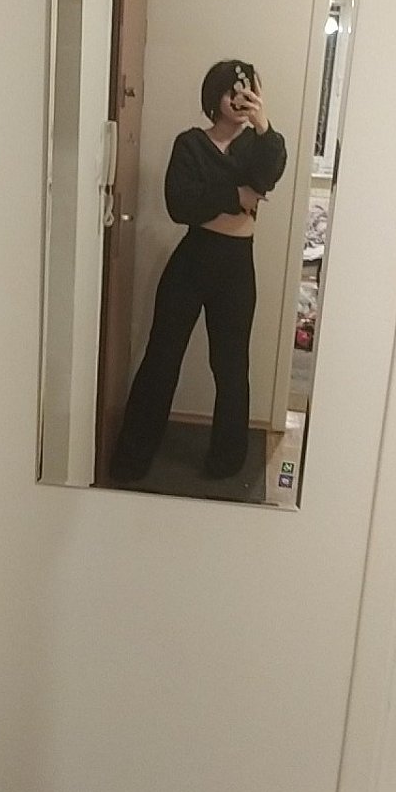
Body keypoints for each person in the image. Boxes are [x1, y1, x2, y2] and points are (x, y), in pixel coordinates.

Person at [110, 59, 287, 483]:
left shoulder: (258, 145)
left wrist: (263, 124)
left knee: (231, 366)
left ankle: (227, 463)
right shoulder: (190, 144)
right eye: (231, 90)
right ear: (214, 95)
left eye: (248, 90)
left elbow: (269, 176)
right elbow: (181, 205)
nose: (239, 98)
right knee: (161, 358)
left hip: (236, 266)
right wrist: (237, 194)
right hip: (193, 260)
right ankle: (131, 459)